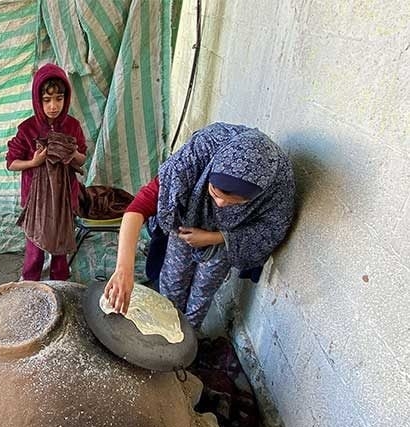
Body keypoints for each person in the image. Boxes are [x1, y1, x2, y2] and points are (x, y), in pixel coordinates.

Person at [104, 122, 295, 328]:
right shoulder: (199, 153)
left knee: (203, 292)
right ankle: (162, 327)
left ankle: (189, 335)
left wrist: (214, 237)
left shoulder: (278, 185)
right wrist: (124, 269)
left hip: (228, 239)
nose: (219, 204)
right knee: (172, 282)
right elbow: (139, 206)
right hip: (185, 224)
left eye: (234, 202)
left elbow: (269, 230)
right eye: (214, 192)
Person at [6, 63, 87, 281]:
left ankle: (59, 283)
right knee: (35, 247)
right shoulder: (27, 129)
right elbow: (12, 163)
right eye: (47, 100)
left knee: (60, 242)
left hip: (63, 197)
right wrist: (34, 162)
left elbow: (82, 158)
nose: (53, 106)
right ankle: (30, 282)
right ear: (37, 99)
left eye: (59, 99)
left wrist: (72, 153)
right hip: (36, 200)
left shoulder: (72, 126)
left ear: (66, 98)